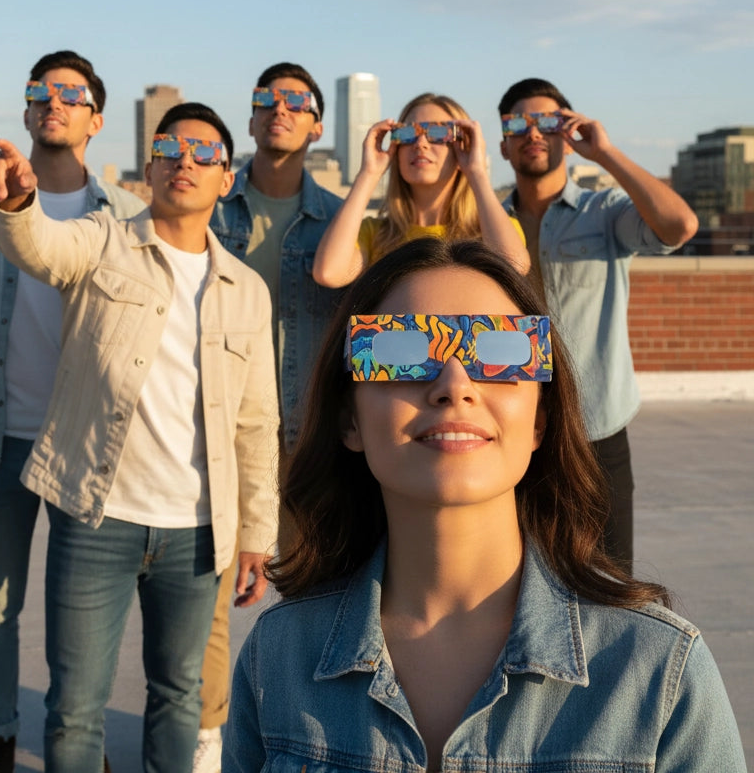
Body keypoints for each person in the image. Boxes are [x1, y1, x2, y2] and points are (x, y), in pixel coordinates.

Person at [224, 237, 745, 772]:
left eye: (499, 351)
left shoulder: (657, 670)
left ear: (540, 418)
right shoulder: (279, 657)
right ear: (349, 419)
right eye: (403, 350)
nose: (455, 385)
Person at [0, 102, 279, 773]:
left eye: (204, 154)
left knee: (178, 695)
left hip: (196, 529)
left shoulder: (246, 290)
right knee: (76, 707)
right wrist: (19, 203)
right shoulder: (104, 239)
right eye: (171, 148)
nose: (185, 162)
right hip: (97, 514)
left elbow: (257, 422)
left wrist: (257, 530)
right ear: (149, 167)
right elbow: (39, 249)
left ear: (227, 178)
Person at [0, 50, 143, 773]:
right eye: (40, 91)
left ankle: (74, 739)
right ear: (27, 111)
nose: (52, 102)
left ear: (94, 117)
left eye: (70, 94)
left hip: (83, 443)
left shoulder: (124, 214)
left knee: (77, 618)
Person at [196, 62, 343, 770]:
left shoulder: (339, 216)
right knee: (208, 612)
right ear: (250, 121)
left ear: (317, 124)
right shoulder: (209, 210)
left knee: (316, 600)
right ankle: (206, 746)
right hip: (219, 436)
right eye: (266, 101)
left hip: (312, 437)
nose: (279, 110)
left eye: (296, 103)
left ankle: (308, 740)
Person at [497, 78, 698, 572]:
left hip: (596, 431)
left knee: (609, 582)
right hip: (515, 427)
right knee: (517, 581)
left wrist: (604, 153)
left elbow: (680, 227)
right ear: (503, 144)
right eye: (519, 123)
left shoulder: (604, 213)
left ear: (567, 132)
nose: (533, 133)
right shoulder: (490, 224)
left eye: (547, 121)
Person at [313, 93, 529, 287]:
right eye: (408, 133)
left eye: (437, 132)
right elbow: (329, 273)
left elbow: (514, 266)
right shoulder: (376, 234)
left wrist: (477, 173)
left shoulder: (487, 232)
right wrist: (368, 174)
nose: (421, 143)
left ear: (463, 145)